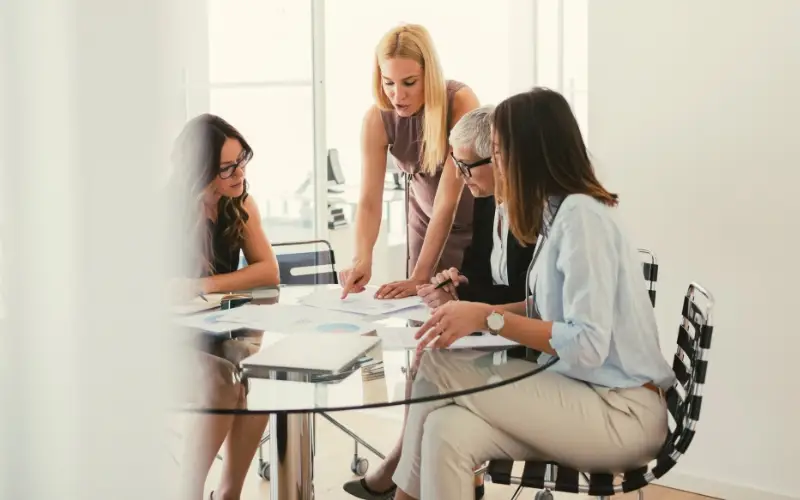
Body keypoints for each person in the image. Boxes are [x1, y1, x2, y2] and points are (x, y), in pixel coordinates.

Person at [390, 88, 676, 500]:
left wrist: (488, 318)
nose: (495, 163)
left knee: (436, 364)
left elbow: (587, 344)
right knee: (445, 430)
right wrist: (475, 310)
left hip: (621, 413)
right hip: (581, 393)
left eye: (499, 152)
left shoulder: (581, 219)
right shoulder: (557, 214)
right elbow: (546, 309)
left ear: (527, 155)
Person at [342, 105, 534, 500]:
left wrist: (471, 306)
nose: (460, 177)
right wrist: (456, 287)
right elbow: (482, 273)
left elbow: (531, 298)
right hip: (495, 328)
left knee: (430, 365)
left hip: (522, 342)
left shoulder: (534, 214)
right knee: (428, 358)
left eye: (465, 167)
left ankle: (400, 472)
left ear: (497, 158)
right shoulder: (487, 201)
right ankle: (407, 476)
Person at [170, 113, 280, 500]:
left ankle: (228, 494)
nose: (240, 173)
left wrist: (202, 285)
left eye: (242, 160)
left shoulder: (239, 202)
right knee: (221, 382)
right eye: (227, 167)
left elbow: (268, 271)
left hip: (216, 334)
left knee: (261, 379)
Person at [339, 23, 480, 300]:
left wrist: (420, 276)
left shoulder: (460, 102)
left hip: (476, 228)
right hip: (425, 226)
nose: (397, 95)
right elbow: (369, 201)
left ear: (429, 75)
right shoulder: (376, 119)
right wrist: (362, 259)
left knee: (472, 310)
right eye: (388, 82)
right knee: (420, 309)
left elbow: (447, 200)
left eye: (409, 82)